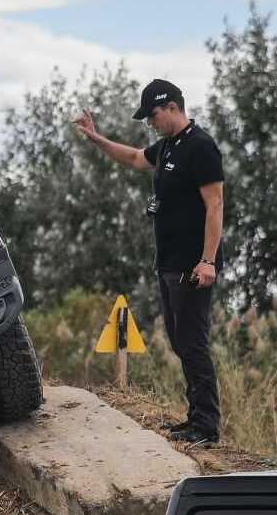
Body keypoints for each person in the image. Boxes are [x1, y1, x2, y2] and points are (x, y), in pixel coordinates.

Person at [73, 78, 226, 444]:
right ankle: (195, 419)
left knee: (193, 343)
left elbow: (215, 205)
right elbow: (133, 157)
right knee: (179, 341)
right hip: (169, 263)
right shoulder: (170, 147)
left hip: (192, 265)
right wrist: (97, 140)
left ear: (172, 107)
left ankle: (207, 426)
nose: (150, 123)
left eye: (153, 115)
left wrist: (208, 261)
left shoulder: (201, 147)